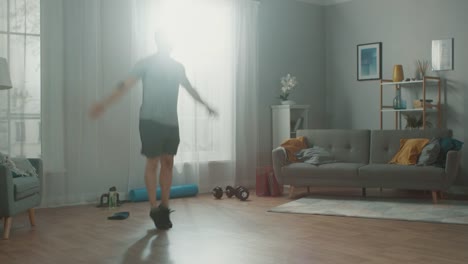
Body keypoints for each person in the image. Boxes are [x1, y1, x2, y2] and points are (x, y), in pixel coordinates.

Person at [90, 32, 217, 230]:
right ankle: (153, 207)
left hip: (171, 123)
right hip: (150, 121)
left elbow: (190, 89)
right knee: (153, 161)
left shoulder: (177, 67)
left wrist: (206, 105)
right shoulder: (145, 64)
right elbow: (125, 85)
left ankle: (165, 208)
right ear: (158, 42)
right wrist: (104, 103)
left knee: (168, 162)